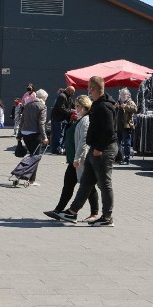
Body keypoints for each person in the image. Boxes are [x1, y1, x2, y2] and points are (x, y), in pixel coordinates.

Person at [48, 76, 118, 227]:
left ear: (93, 89)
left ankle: (107, 217)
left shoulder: (104, 106)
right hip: (95, 149)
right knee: (86, 182)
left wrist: (99, 149)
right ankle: (72, 212)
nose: (89, 92)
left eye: (89, 88)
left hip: (103, 150)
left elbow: (109, 130)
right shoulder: (98, 105)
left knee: (104, 183)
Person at [49, 95, 99, 221]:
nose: (75, 108)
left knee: (88, 186)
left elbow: (84, 141)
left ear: (84, 107)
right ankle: (59, 210)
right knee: (68, 185)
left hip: (80, 160)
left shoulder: (86, 120)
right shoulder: (80, 119)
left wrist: (77, 158)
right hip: (73, 159)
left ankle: (93, 213)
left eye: (77, 106)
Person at [19, 88, 49, 158]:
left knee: (31, 155)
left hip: (25, 133)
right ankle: (31, 169)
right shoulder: (43, 107)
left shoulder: (27, 105)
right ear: (43, 98)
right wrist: (44, 137)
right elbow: (41, 123)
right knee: (35, 156)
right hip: (35, 134)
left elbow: (22, 120)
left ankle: (28, 168)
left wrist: (19, 135)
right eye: (46, 98)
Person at [115, 88, 137, 165]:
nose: (123, 96)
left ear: (128, 95)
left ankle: (127, 159)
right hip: (118, 126)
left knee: (127, 143)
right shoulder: (118, 102)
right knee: (118, 143)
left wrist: (125, 106)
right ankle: (120, 158)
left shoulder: (130, 102)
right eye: (121, 94)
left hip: (126, 125)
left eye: (124, 94)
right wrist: (116, 107)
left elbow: (135, 109)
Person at [50, 85, 74, 154]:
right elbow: (61, 108)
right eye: (72, 92)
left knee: (61, 134)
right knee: (58, 134)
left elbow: (72, 105)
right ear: (69, 91)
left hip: (62, 118)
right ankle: (56, 149)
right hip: (58, 118)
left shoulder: (68, 97)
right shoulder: (62, 96)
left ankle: (59, 148)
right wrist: (70, 111)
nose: (73, 94)